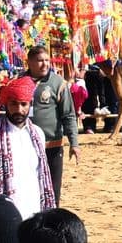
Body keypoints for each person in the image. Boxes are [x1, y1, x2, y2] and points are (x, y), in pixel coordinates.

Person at [0, 76, 57, 217]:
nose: (19, 110)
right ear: (6, 104)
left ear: (30, 104)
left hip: (34, 210)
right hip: (3, 213)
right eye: (13, 104)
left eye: (23, 104)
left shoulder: (38, 134)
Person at [24, 48, 78, 207]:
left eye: (47, 60)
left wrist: (74, 143)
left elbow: (68, 115)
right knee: (29, 189)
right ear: (30, 62)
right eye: (40, 60)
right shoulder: (19, 82)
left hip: (52, 147)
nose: (45, 64)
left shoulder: (58, 83)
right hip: (26, 146)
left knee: (53, 192)